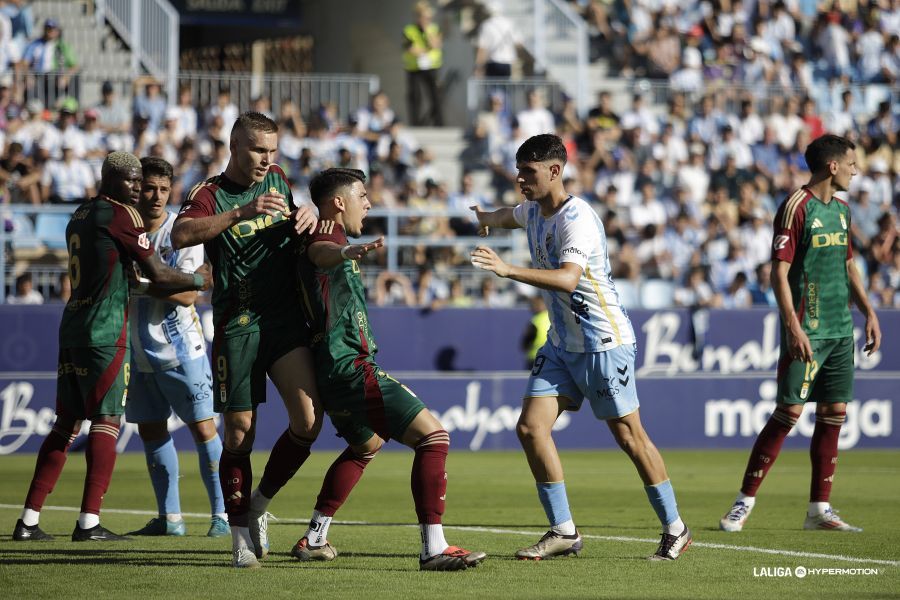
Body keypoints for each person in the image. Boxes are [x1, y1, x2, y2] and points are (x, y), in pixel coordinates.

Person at [469, 134, 691, 561]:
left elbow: (569, 278)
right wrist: (485, 218)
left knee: (629, 437)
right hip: (561, 344)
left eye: (528, 172)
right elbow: (507, 215)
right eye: (518, 171)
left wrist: (507, 269)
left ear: (555, 171)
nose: (520, 179)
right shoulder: (532, 209)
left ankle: (676, 528)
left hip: (602, 341)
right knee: (531, 429)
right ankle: (564, 530)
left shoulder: (578, 219)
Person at [291, 168, 486, 571]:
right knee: (434, 437)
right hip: (347, 365)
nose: (369, 203)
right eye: (362, 195)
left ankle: (314, 536)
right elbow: (321, 254)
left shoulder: (331, 233)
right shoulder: (327, 233)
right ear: (339, 201)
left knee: (367, 446)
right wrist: (343, 253)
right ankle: (434, 547)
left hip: (336, 365)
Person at [12, 151, 212, 543]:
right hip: (104, 330)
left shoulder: (80, 214)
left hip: (73, 326)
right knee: (107, 421)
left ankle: (28, 520)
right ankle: (89, 522)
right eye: (132, 181)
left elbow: (120, 271)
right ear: (110, 179)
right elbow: (157, 272)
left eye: (142, 182)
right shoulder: (120, 215)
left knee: (66, 425)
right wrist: (200, 281)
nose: (138, 189)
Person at [172, 111, 320, 569]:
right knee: (238, 433)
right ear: (234, 146)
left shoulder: (277, 178)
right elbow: (180, 233)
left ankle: (257, 504)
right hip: (238, 321)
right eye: (259, 150)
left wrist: (309, 211)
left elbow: (294, 224)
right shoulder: (209, 193)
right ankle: (238, 536)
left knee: (308, 420)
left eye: (273, 151)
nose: (267, 159)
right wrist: (239, 212)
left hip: (283, 319)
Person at [719, 134, 881, 533]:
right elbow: (779, 271)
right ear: (833, 167)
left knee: (833, 416)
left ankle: (819, 510)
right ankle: (742, 503)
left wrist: (869, 312)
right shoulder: (796, 206)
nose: (855, 170)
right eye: (851, 164)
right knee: (788, 414)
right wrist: (792, 325)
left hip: (841, 332)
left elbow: (849, 267)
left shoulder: (842, 211)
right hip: (806, 330)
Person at [124, 157, 229, 538]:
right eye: (149, 188)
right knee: (151, 432)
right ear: (137, 189)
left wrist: (142, 286)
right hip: (138, 351)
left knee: (204, 430)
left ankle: (222, 515)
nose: (155, 196)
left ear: (172, 192)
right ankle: (170, 520)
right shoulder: (126, 230)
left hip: (182, 350)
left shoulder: (179, 232)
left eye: (163, 190)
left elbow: (189, 293)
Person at [402, 1, 443, 126]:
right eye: (424, 17)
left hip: (432, 67)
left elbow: (436, 44)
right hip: (414, 68)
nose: (426, 20)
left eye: (428, 17)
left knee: (435, 96)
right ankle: (415, 124)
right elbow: (411, 48)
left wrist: (427, 30)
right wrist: (425, 49)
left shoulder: (434, 28)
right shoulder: (409, 30)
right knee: (415, 97)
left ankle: (439, 124)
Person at [520, 295, 549, 369]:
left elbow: (525, 343)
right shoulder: (553, 318)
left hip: (535, 359)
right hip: (552, 358)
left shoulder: (535, 321)